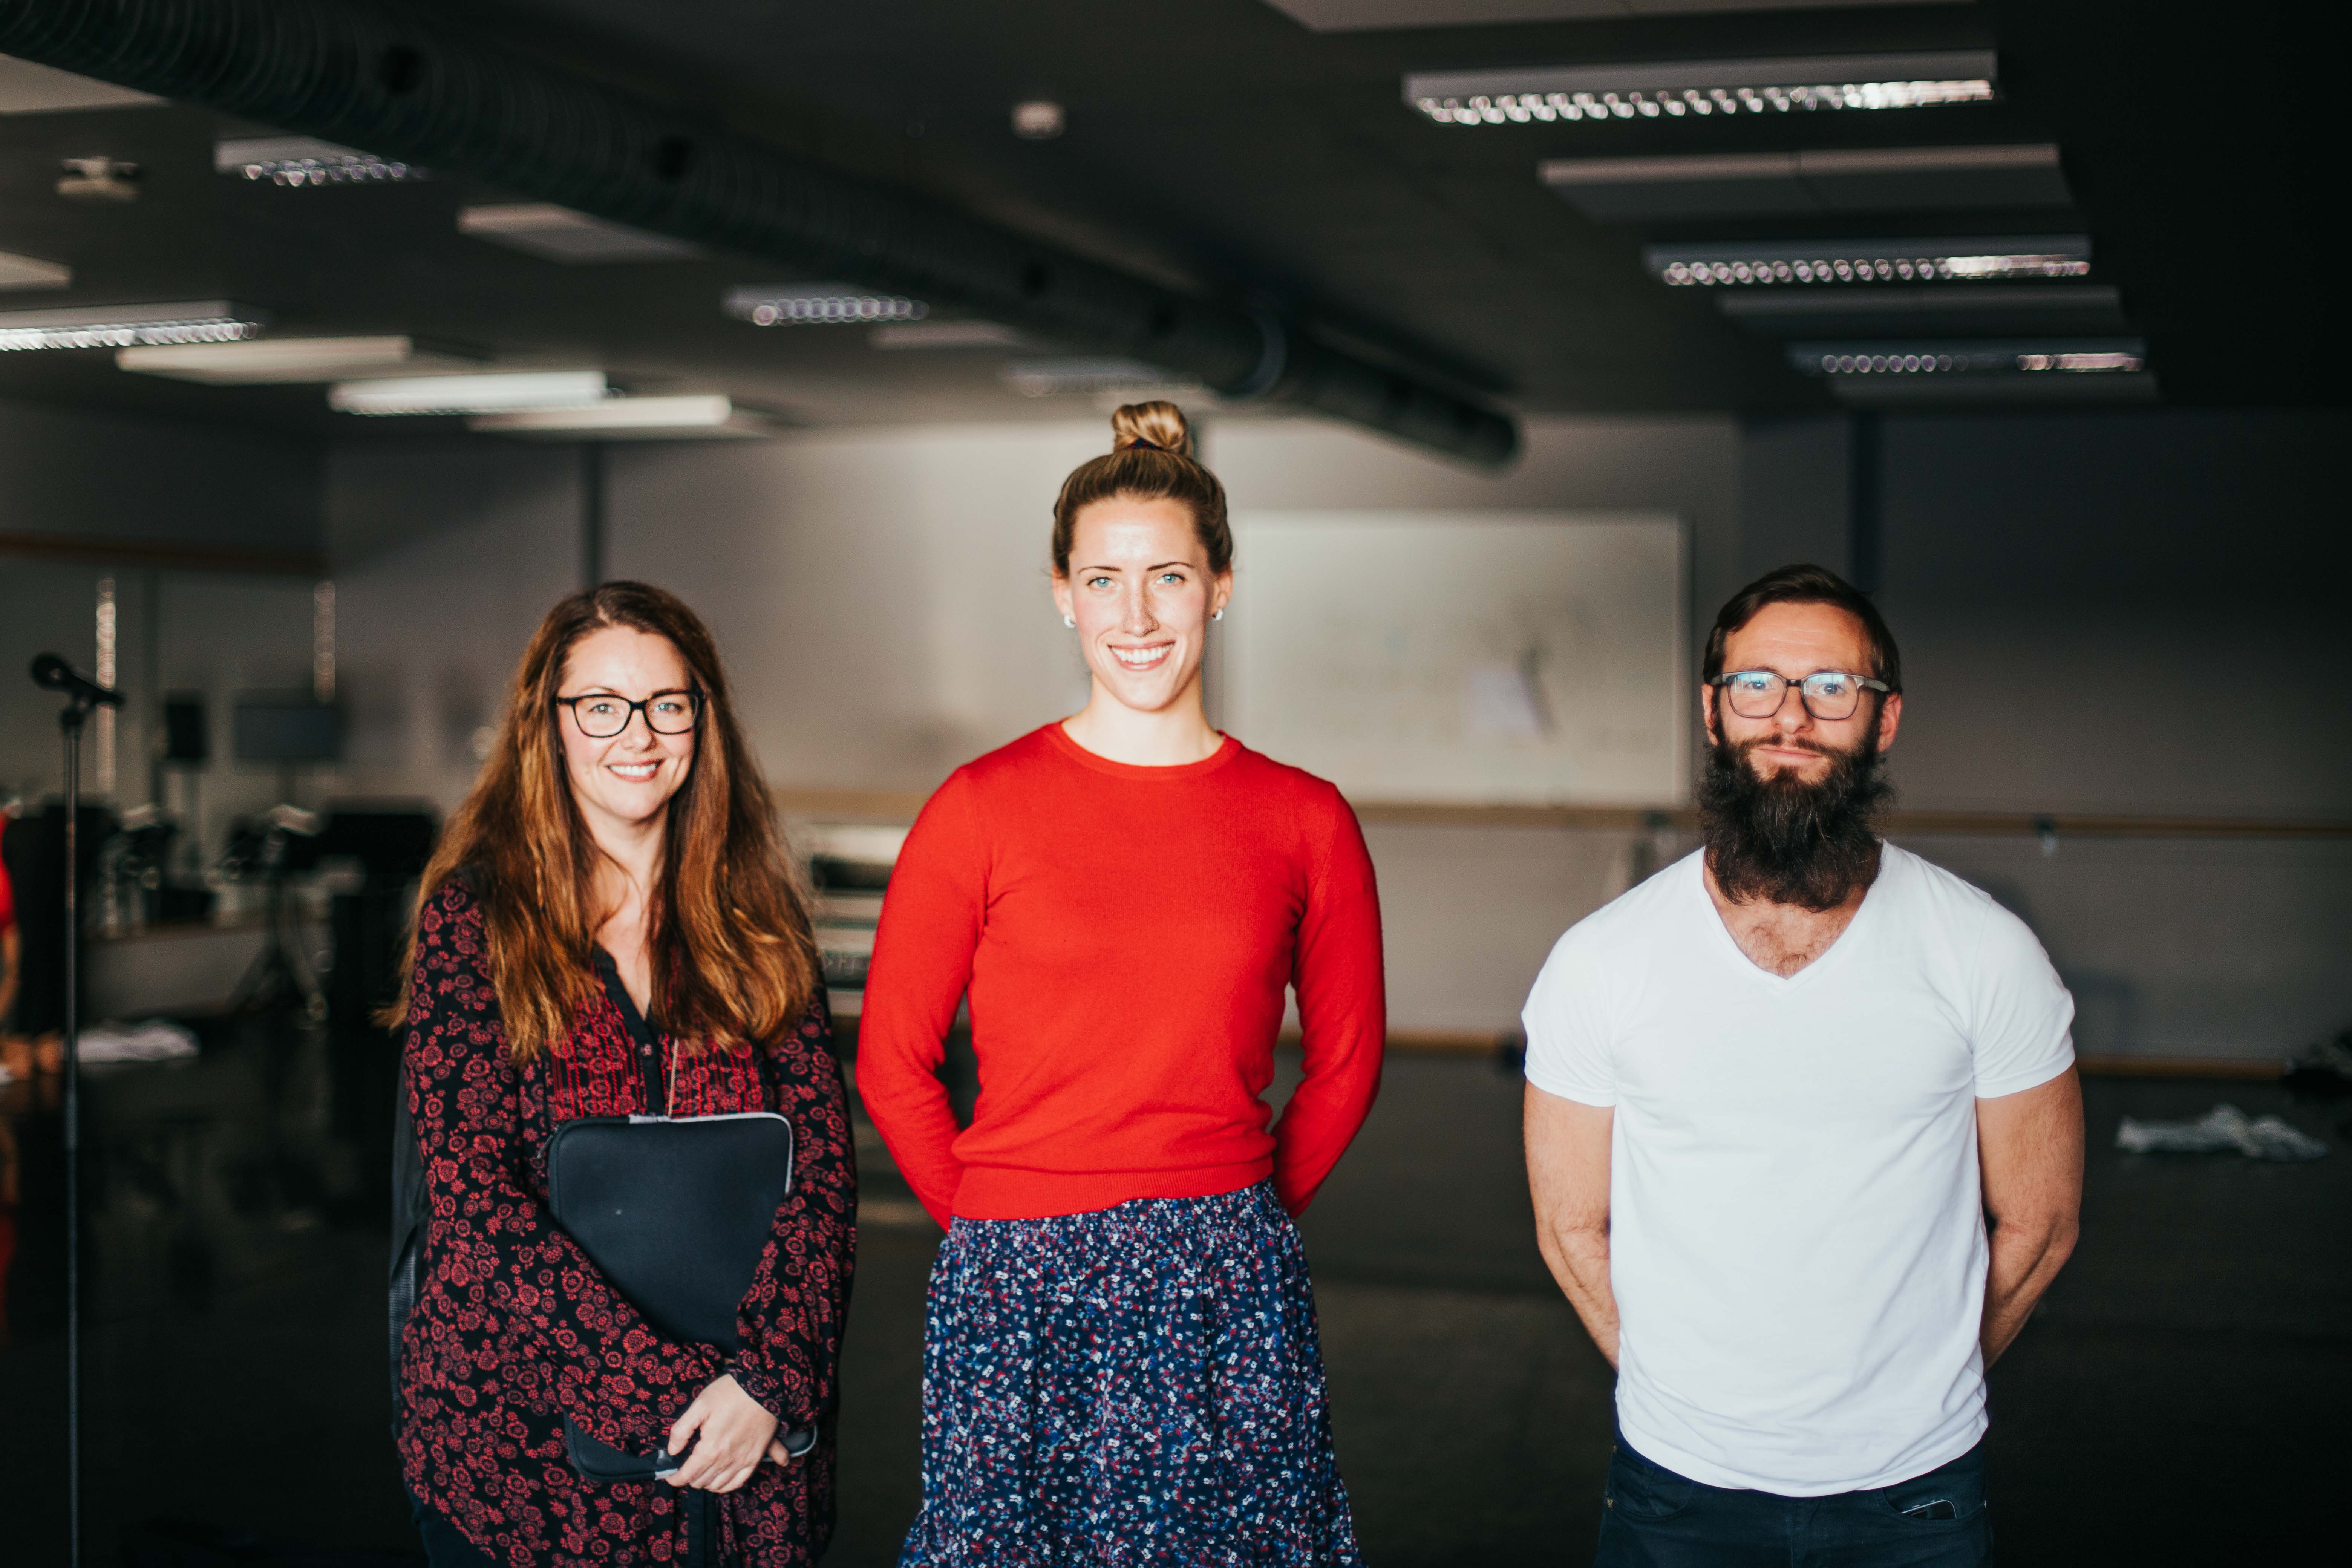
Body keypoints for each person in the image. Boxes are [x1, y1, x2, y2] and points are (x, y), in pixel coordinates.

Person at [859, 402, 1386, 1567]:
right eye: (1104, 580)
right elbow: (891, 1062)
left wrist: (1236, 1216)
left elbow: (1347, 1063)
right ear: (1061, 592)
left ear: (1222, 587)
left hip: (1226, 1274)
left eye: (1168, 578)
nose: (1135, 616)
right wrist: (996, 1226)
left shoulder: (1304, 818)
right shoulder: (980, 807)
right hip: (1015, 1271)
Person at [1522, 564, 2083, 1567]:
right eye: (1758, 686)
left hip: (1917, 1500)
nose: (1791, 717)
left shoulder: (1986, 952)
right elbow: (1571, 1228)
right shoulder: (1601, 961)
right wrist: (1686, 1395)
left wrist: (1922, 1389)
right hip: (1675, 1496)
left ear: (1884, 719)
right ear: (1713, 709)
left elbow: (2039, 1226)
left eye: (1831, 688)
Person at [389, 582, 856, 1568]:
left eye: (666, 704)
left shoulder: (763, 931)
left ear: (702, 719)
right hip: (523, 1459)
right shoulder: (475, 928)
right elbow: (475, 1204)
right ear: (548, 726)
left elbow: (820, 1182)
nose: (636, 734)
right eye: (600, 705)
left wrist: (766, 1388)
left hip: (749, 1447)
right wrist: (674, 1398)